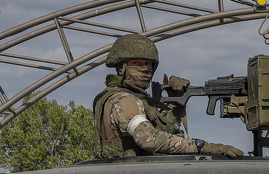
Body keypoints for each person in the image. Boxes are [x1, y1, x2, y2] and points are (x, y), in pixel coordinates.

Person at [93, 34, 243, 159]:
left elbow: (164, 136)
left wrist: (174, 105)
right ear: (121, 67)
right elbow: (148, 138)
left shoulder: (134, 99)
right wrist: (201, 147)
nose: (145, 69)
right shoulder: (124, 100)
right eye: (136, 63)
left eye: (148, 64)